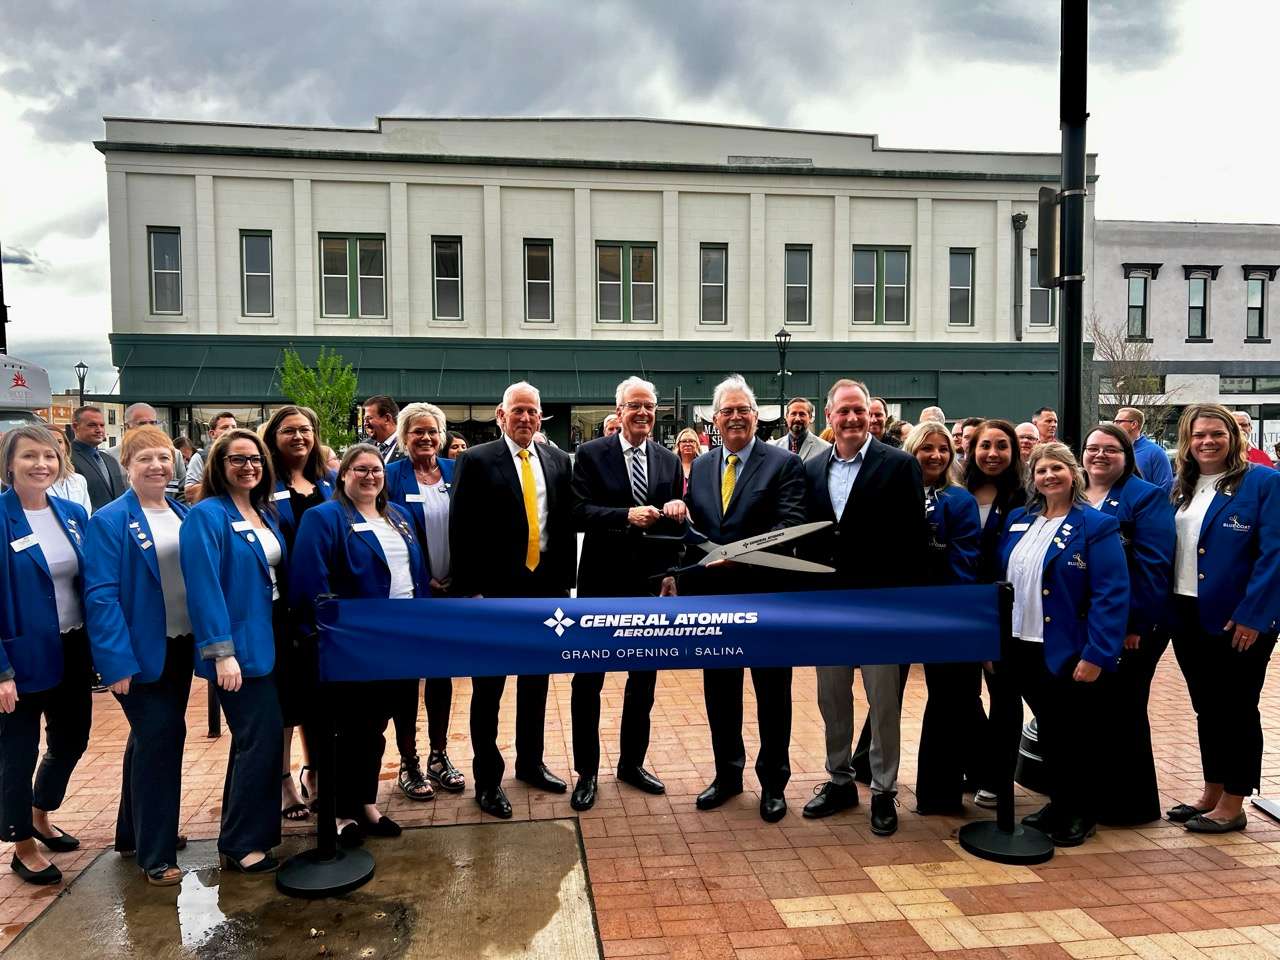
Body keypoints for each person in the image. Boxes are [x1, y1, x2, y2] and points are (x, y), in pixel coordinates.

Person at [800, 380, 927, 836]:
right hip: (827, 606)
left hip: (879, 606)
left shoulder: (899, 465)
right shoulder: (811, 468)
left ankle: (883, 790)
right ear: (828, 416)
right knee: (832, 698)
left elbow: (915, 540)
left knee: (883, 700)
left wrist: (903, 608)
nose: (852, 419)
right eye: (843, 412)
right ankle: (839, 780)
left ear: (872, 415)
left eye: (859, 411)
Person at [679, 375, 805, 823]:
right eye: (727, 411)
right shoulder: (704, 466)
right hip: (715, 603)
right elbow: (696, 534)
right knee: (720, 691)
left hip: (768, 600)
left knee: (773, 694)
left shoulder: (783, 464)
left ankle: (774, 783)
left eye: (743, 410)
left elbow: (789, 528)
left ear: (757, 417)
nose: (735, 417)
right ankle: (727, 774)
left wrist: (734, 557)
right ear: (715, 421)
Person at [293, 444, 430, 844]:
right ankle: (337, 812)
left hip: (400, 641)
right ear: (343, 474)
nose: (370, 476)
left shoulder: (399, 516)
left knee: (376, 725)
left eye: (377, 470)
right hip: (351, 645)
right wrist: (325, 635)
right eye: (360, 469)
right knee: (345, 727)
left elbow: (414, 574)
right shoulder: (325, 518)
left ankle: (365, 803)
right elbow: (309, 582)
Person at [450, 382, 574, 819]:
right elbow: (461, 529)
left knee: (536, 684)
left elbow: (563, 522)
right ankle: (487, 779)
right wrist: (471, 591)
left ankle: (531, 762)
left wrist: (564, 586)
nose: (525, 418)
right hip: (494, 595)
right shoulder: (476, 460)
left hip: (545, 593)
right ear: (500, 416)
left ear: (541, 418)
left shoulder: (559, 461)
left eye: (532, 412)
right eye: (517, 411)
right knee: (488, 689)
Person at [1000, 442, 1129, 846]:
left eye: (1057, 468)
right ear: (1032, 479)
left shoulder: (1095, 524)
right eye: (1041, 471)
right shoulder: (1021, 519)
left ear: (1073, 473)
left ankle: (1081, 812)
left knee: (1075, 734)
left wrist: (1097, 654)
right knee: (1051, 733)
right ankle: (1059, 802)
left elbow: (1112, 592)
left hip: (1066, 648)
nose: (1049, 476)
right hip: (1020, 644)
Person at [568, 377, 683, 811]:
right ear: (618, 411)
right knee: (588, 682)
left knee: (643, 682)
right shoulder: (592, 455)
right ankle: (587, 772)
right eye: (634, 405)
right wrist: (625, 516)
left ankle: (631, 764)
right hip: (600, 585)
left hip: (648, 587)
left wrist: (671, 572)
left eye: (649, 406)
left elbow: (674, 527)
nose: (642, 413)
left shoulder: (668, 460)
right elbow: (577, 512)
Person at [84, 426, 192, 886]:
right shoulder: (109, 521)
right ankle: (156, 853)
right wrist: (116, 663)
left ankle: (132, 833)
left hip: (181, 645)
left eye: (164, 458)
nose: (156, 466)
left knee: (147, 742)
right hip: (138, 652)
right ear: (126, 466)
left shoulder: (182, 511)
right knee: (162, 742)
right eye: (144, 458)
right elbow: (101, 596)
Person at [1166, 404, 1280, 833]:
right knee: (1207, 707)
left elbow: (1276, 555)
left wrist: (1255, 614)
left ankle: (1234, 802)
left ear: (1233, 437)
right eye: (1198, 436)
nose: (1207, 442)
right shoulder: (1183, 486)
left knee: (1237, 708)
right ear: (1187, 440)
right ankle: (1212, 791)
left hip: (1239, 620)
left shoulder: (1264, 482)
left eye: (1217, 433)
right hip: (1187, 613)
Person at [179, 428, 286, 874]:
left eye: (255, 459)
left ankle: (244, 833)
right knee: (259, 740)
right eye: (237, 459)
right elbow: (203, 587)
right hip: (239, 650)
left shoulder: (265, 511)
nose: (248, 466)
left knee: (257, 742)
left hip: (273, 637)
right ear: (219, 467)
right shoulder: (207, 515)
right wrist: (221, 652)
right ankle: (242, 843)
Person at [0, 426, 92, 886]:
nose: (41, 464)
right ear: (9, 465)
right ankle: (21, 843)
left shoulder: (72, 513)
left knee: (72, 738)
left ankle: (40, 812)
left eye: (50, 456)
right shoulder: (0, 517)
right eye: (29, 457)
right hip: (19, 656)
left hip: (73, 647)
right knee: (17, 752)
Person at [1081, 423, 1175, 825]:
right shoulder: (1075, 494)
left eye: (1110, 450)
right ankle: (1093, 795)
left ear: (1127, 456)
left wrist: (1134, 625)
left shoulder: (1146, 497)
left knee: (1125, 710)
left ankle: (1130, 807)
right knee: (1094, 713)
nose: (1099, 455)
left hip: (1131, 629)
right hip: (1087, 624)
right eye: (1092, 449)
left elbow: (1154, 567)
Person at [384, 403, 463, 801]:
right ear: (403, 436)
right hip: (412, 595)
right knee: (405, 679)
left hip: (451, 593)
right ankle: (409, 760)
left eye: (432, 431)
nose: (426, 438)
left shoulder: (455, 472)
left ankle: (438, 753)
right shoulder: (391, 476)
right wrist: (423, 578)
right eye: (417, 432)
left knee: (441, 676)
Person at [904, 421, 983, 815]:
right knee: (883, 698)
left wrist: (948, 606)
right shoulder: (893, 493)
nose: (935, 455)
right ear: (912, 450)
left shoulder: (960, 499)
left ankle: (940, 794)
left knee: (948, 701)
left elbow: (964, 556)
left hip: (943, 610)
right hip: (896, 610)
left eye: (943, 449)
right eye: (927, 448)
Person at [262, 405, 334, 822]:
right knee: (286, 698)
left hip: (322, 602)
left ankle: (316, 771)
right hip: (280, 603)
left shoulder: (325, 481)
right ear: (274, 436)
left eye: (305, 430)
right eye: (289, 431)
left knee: (316, 696)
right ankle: (284, 780)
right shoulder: (263, 483)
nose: (298, 438)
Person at [962, 419, 1028, 808]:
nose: (992, 454)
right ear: (973, 449)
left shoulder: (1026, 497)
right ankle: (978, 767)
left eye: (1002, 446)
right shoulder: (958, 491)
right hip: (963, 605)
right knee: (963, 693)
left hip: (1008, 609)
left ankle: (999, 777)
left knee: (1004, 695)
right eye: (985, 445)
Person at [69, 405, 126, 511]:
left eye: (102, 425)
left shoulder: (110, 459)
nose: (99, 430)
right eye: (92, 425)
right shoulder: (68, 459)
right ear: (75, 427)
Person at [1111, 407, 1174, 492]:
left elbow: (1165, 488)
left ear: (1134, 424)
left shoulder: (1155, 452)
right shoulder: (1112, 450)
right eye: (1114, 422)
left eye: (1118, 422)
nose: (1114, 426)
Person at [184, 412, 238, 501]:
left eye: (234, 427)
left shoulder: (246, 456)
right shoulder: (201, 457)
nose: (231, 430)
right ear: (212, 434)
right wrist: (222, 483)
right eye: (225, 428)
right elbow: (189, 493)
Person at [769, 397, 831, 462]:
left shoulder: (825, 449)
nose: (797, 418)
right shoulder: (773, 448)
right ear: (786, 417)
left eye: (802, 414)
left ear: (810, 418)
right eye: (793, 414)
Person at [48, 429, 93, 515]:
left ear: (66, 447)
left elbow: (86, 514)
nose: (55, 446)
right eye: (48, 441)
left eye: (59, 441)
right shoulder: (36, 483)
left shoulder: (79, 480)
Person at [362, 396, 403, 464]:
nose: (365, 424)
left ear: (387, 418)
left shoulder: (408, 447)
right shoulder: (364, 447)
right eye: (364, 420)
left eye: (369, 418)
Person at [674, 427, 701, 496]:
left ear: (697, 445)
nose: (688, 444)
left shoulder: (704, 465)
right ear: (678, 445)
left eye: (691, 441)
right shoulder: (672, 466)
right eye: (684, 441)